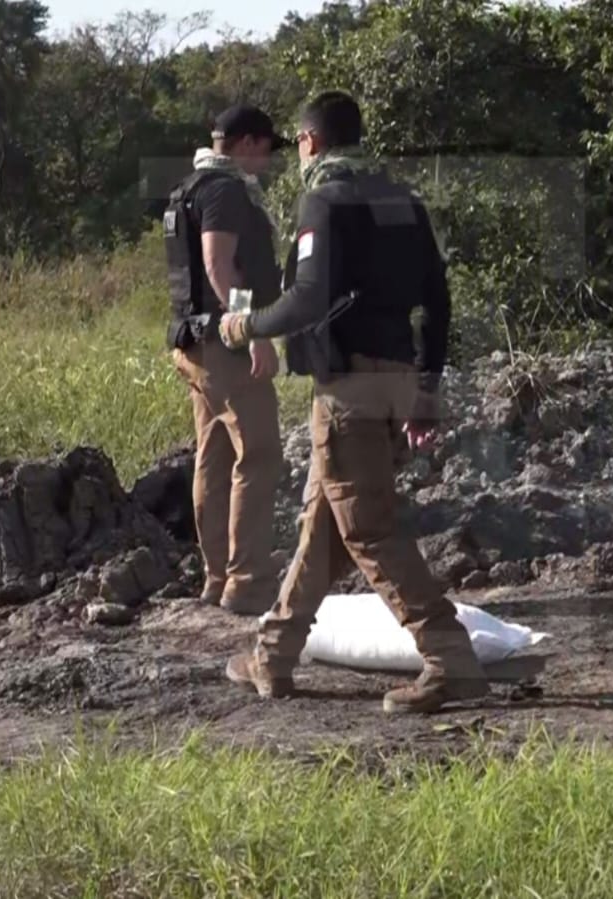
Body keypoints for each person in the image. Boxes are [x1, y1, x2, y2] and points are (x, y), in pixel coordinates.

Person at [215, 90, 488, 715]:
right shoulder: (401, 198)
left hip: (349, 392)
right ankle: (274, 656)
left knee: (368, 530)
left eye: (300, 145)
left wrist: (246, 327)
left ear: (310, 142)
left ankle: (452, 660)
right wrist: (427, 386)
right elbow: (438, 302)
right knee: (324, 525)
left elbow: (308, 299)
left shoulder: (326, 199)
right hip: (395, 382)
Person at [162, 104, 289, 614]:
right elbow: (218, 264)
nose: (268, 160)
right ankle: (248, 581)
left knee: (214, 458)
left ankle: (218, 579)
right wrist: (249, 330)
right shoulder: (225, 191)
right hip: (223, 345)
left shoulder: (188, 187)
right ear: (246, 143)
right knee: (259, 455)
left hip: (193, 343)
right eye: (265, 148)